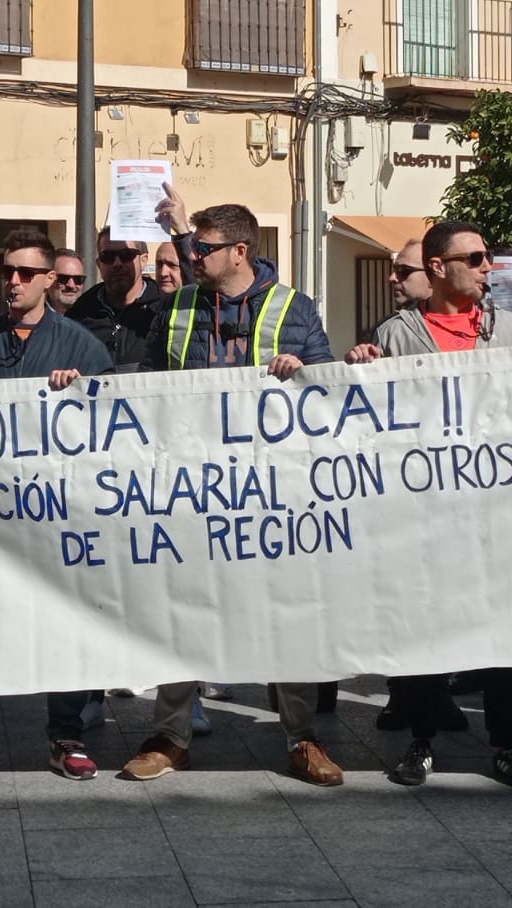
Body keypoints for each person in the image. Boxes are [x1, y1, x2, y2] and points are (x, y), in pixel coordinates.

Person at [126, 190, 343, 787]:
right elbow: (146, 385)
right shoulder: (175, 308)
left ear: (240, 251)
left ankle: (302, 738)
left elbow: (325, 386)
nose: (193, 256)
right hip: (191, 489)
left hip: (272, 492)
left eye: (204, 248)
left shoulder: (292, 308)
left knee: (288, 614)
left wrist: (305, 374)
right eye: (192, 246)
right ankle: (170, 736)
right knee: (180, 611)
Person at [345, 221, 512, 789]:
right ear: (436, 267)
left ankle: (506, 744)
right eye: (476, 258)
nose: (488, 267)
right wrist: (361, 365)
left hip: (498, 510)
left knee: (504, 633)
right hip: (426, 515)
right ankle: (422, 742)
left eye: (489, 257)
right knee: (426, 629)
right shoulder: (398, 335)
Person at [0, 229, 112, 781]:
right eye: (6, 271)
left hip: (59, 518)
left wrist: (82, 392)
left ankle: (67, 736)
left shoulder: (82, 346)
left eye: (26, 273)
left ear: (51, 280)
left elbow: (113, 429)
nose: (12, 281)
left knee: (65, 623)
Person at [67, 230, 163, 372]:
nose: (117, 263)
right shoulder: (79, 316)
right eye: (108, 257)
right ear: (99, 264)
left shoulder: (164, 311)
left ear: (143, 260)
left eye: (126, 255)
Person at [388, 239, 431, 311]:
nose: (392, 278)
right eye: (394, 269)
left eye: (403, 270)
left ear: (432, 275)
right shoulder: (393, 322)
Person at [48, 248, 86, 314]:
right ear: (49, 279)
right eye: (63, 278)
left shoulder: (91, 318)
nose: (71, 285)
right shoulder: (31, 319)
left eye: (78, 279)